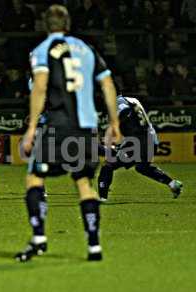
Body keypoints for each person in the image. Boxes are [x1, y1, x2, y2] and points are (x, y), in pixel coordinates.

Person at [14, 5, 122, 263]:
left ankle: (39, 237)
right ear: (68, 23)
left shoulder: (42, 50)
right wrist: (114, 123)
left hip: (59, 126)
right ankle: (94, 246)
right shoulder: (87, 49)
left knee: (35, 177)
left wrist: (31, 129)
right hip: (86, 129)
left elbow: (39, 87)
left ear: (45, 24)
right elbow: (107, 84)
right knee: (84, 184)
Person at [97, 94, 183, 202]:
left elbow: (125, 112)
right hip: (151, 139)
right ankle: (173, 184)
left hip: (138, 141)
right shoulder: (132, 99)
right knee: (142, 167)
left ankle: (102, 199)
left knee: (108, 165)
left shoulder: (118, 103)